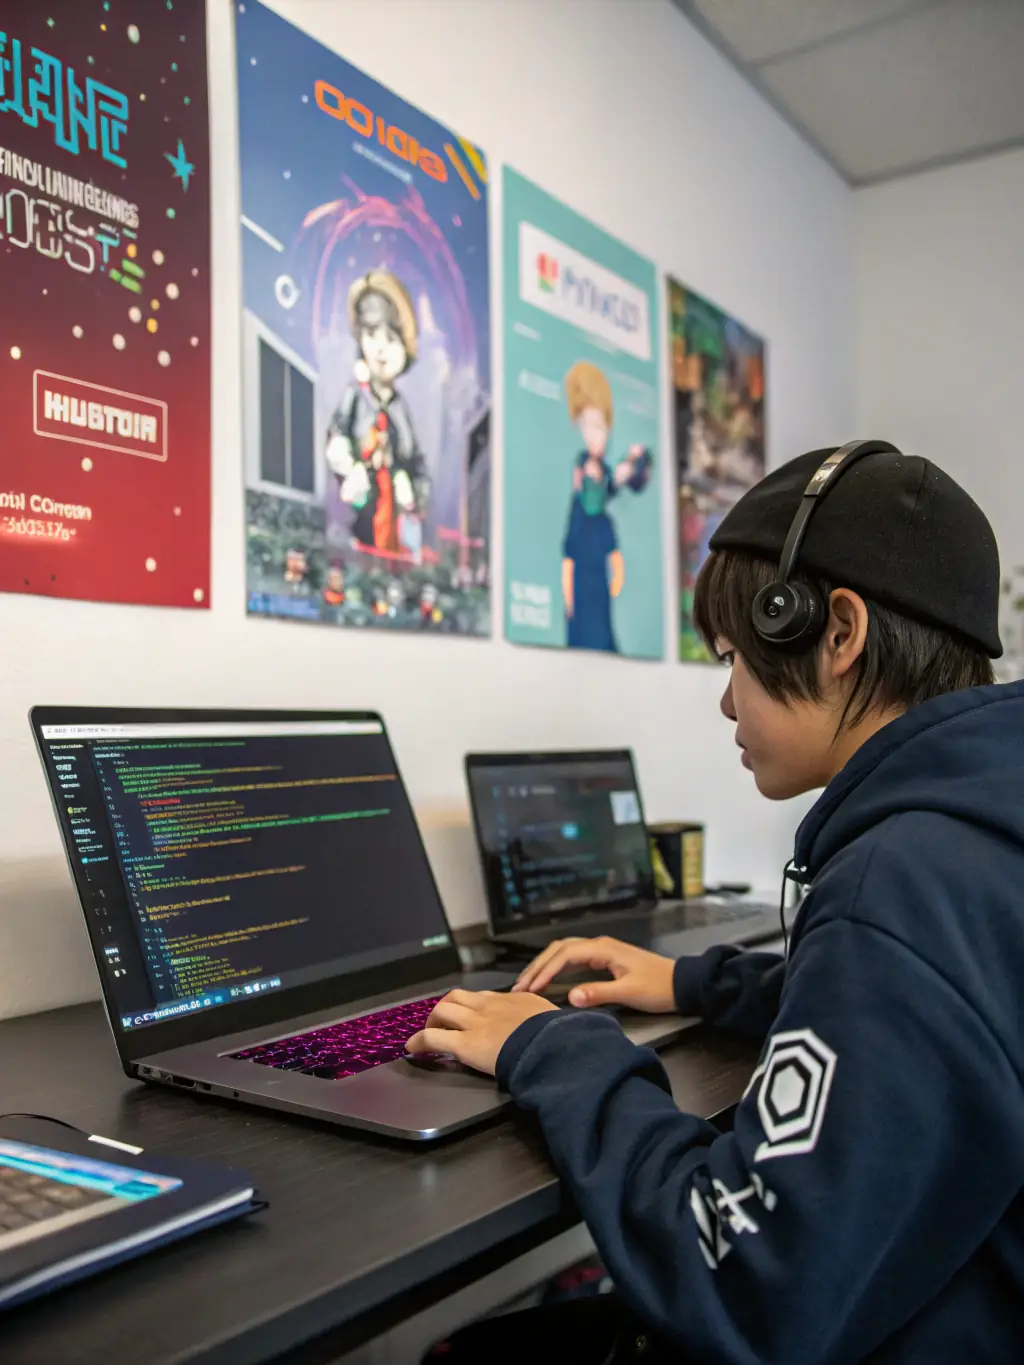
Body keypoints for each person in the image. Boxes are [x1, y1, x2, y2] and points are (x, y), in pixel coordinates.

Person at [410, 444, 1024, 1363]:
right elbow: (920, 1020)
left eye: (734, 657)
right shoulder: (980, 831)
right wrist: (696, 982)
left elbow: (743, 1285)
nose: (728, 702)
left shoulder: (896, 885)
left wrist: (551, 1044)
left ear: (838, 632)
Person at [325, 270, 429, 559]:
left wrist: (412, 494)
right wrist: (349, 469)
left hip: (395, 530)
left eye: (391, 338)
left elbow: (415, 461)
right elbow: (337, 437)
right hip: (357, 524)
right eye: (371, 334)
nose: (380, 349)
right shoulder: (355, 396)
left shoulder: (400, 409)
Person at [561, 361, 652, 653]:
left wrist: (631, 461)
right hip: (584, 562)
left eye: (599, 427)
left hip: (596, 568)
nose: (594, 435)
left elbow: (614, 483)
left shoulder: (601, 474)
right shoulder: (584, 471)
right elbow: (594, 500)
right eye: (587, 426)